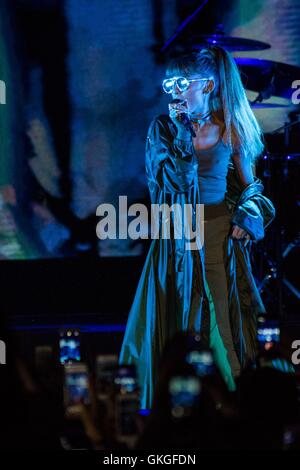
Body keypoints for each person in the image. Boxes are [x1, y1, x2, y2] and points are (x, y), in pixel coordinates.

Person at [119, 46, 275, 409]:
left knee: (221, 311)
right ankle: (181, 395)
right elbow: (174, 181)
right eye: (169, 82)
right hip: (177, 236)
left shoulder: (229, 126)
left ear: (207, 86)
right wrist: (182, 132)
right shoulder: (162, 129)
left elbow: (251, 186)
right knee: (180, 312)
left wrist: (248, 215)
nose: (174, 90)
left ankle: (233, 393)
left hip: (219, 231)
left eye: (182, 82)